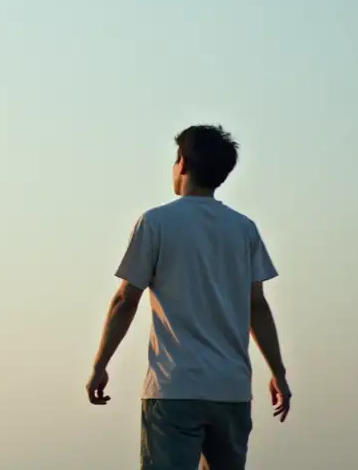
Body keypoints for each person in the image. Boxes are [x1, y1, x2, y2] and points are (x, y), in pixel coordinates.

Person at [85, 125, 291, 470]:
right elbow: (257, 306)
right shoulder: (244, 229)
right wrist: (279, 373)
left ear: (182, 164)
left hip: (174, 386)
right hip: (231, 390)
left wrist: (100, 365)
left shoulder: (155, 223)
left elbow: (126, 300)